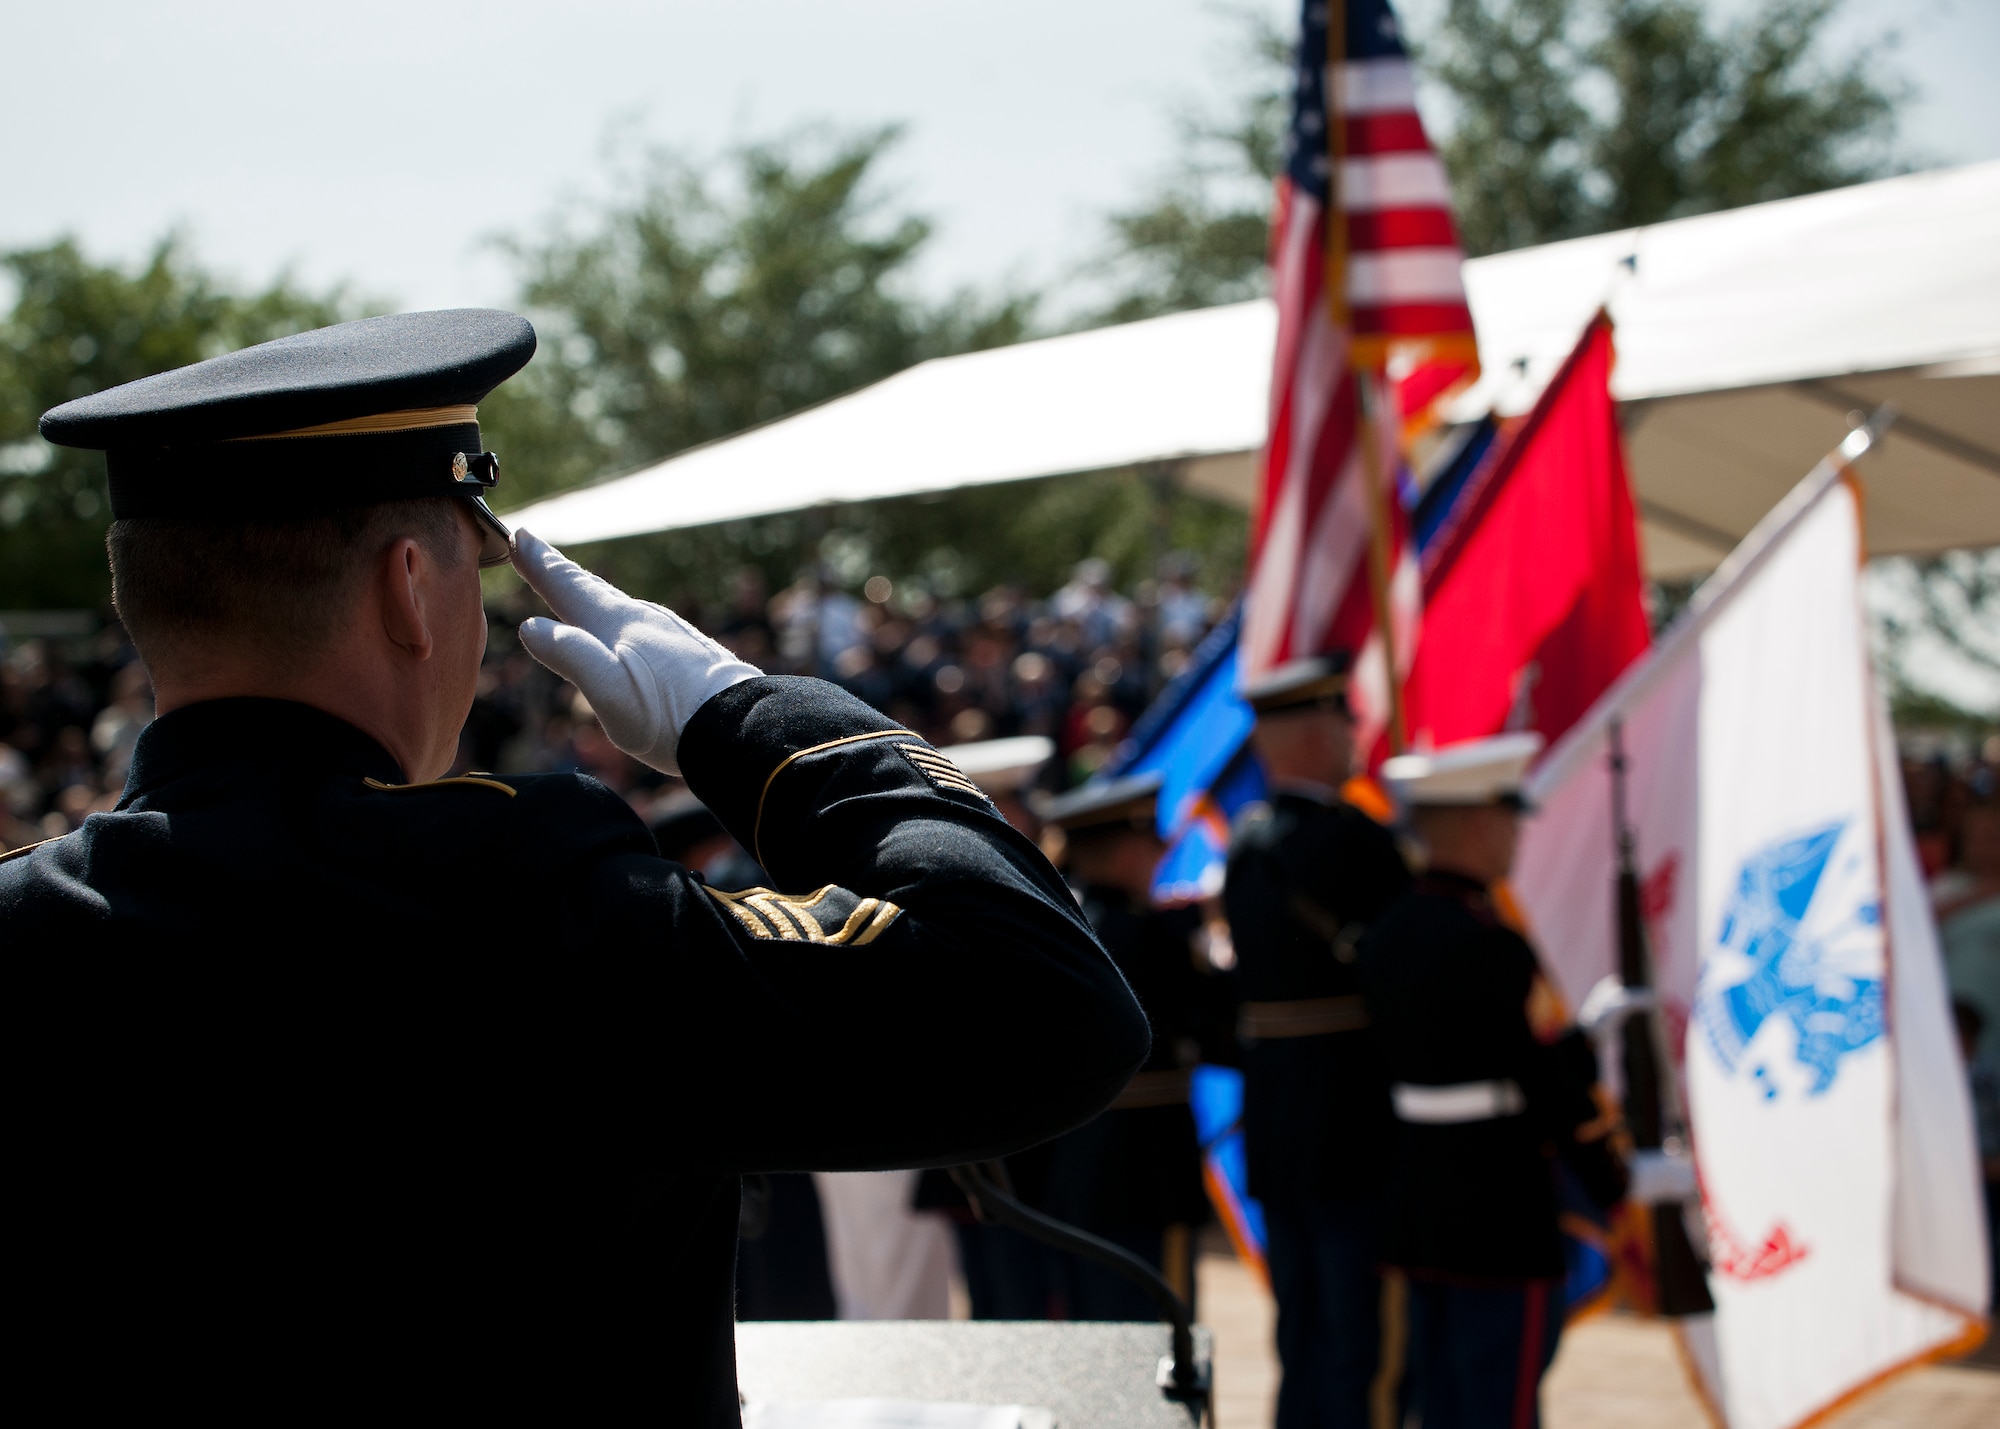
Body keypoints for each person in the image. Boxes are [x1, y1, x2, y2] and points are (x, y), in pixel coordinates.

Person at [2, 310, 1150, 1423]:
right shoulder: (525, 898)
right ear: (409, 586)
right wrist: (756, 722)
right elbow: (1044, 1007)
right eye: (476, 567)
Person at [1362, 734, 1626, 1429]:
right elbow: (1542, 1083)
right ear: (1480, 823)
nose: (1516, 837)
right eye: (1510, 820)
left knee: (1442, 1397)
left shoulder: (1386, 932)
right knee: (1500, 1402)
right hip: (1501, 1207)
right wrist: (1611, 1175)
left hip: (1418, 1199)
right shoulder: (1492, 940)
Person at [1222, 654, 1413, 1429]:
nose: (1356, 735)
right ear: (1310, 732)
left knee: (1302, 1322)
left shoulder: (1248, 843)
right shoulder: (1357, 842)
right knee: (1359, 1330)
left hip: (1276, 1111)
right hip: (1354, 1113)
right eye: (1345, 720)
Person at [1038, 771, 1218, 1318]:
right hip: (1148, 1168)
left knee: (1093, 1329)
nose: (1159, 858)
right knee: (1161, 1333)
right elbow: (1214, 1026)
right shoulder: (1150, 937)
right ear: (1124, 853)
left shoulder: (1056, 923)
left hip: (1073, 1166)